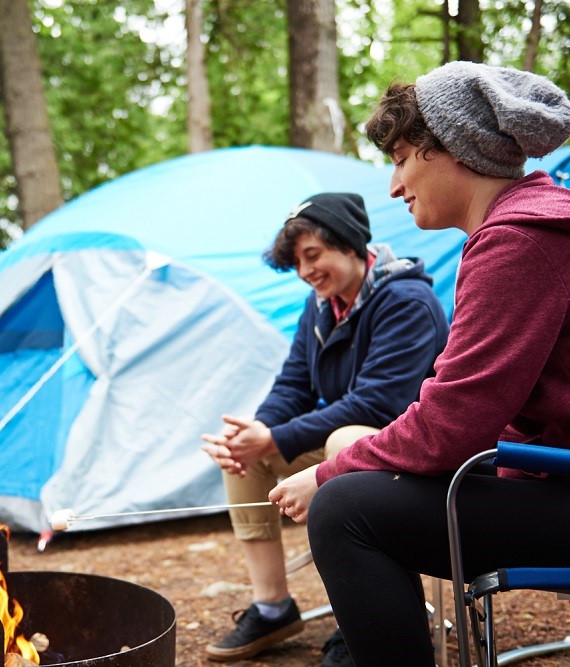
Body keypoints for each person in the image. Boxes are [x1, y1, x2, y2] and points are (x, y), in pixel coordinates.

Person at [268, 61, 570, 666]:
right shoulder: (532, 227)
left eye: (401, 159)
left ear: (451, 148)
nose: (395, 186)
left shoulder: (522, 241)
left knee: (345, 510)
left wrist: (324, 476)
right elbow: (468, 406)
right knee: (355, 458)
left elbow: (455, 422)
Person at [201, 192, 449, 664]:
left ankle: (364, 616)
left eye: (312, 255)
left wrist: (278, 438)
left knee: (339, 440)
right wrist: (257, 432)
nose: (305, 271)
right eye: (297, 262)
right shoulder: (320, 307)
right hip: (354, 449)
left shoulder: (406, 300)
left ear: (351, 243)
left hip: (410, 454)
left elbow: (379, 403)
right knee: (242, 457)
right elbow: (293, 383)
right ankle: (273, 607)